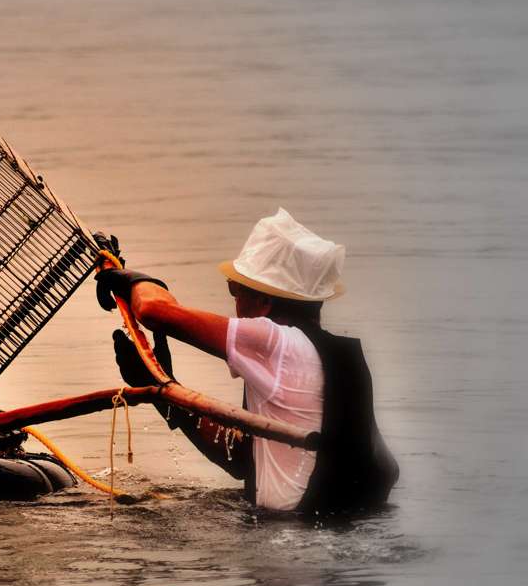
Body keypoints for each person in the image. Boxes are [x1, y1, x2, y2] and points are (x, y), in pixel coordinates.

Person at [94, 208, 399, 514]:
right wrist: (163, 389)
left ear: (265, 301)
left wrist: (131, 278)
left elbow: (153, 311)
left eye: (236, 289)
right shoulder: (334, 358)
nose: (234, 301)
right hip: (335, 530)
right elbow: (241, 459)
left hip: (288, 539)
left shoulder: (274, 342)